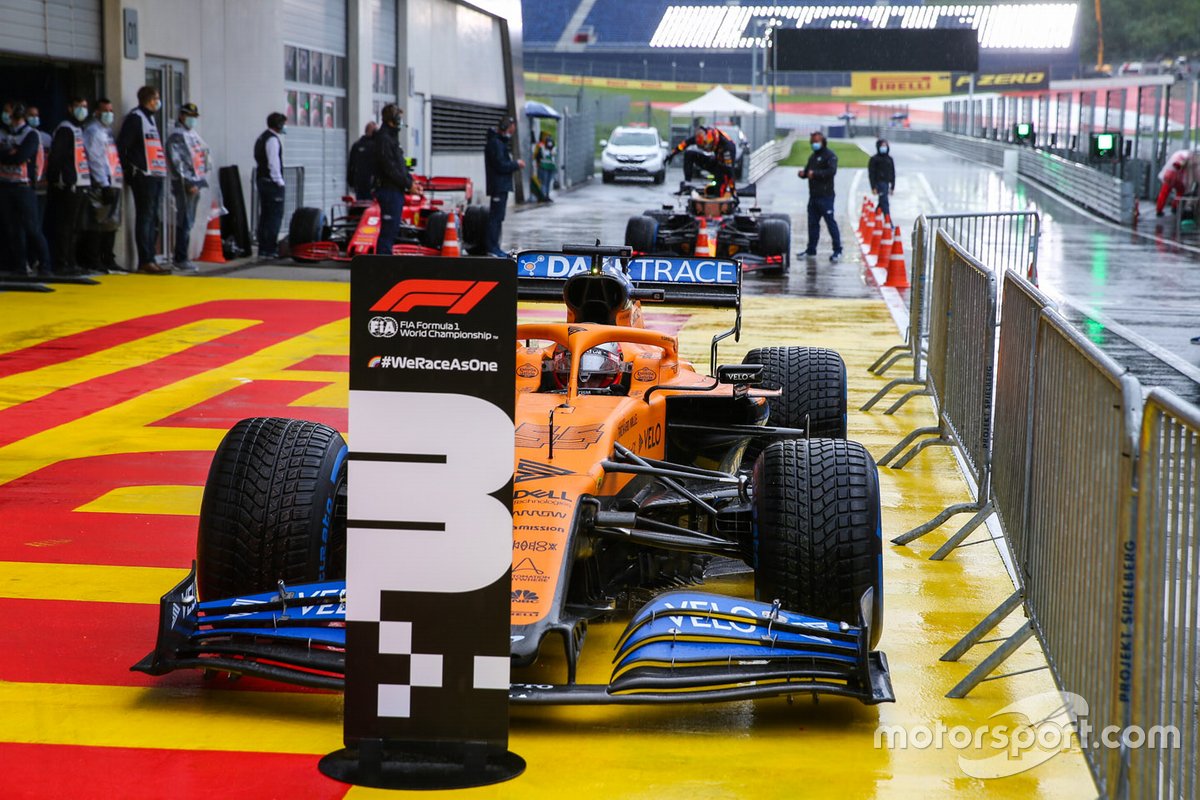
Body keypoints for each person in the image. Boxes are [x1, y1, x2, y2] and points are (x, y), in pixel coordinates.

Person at [117, 85, 169, 273]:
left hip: (155, 174)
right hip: (143, 175)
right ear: (149, 99)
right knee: (145, 217)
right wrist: (130, 170)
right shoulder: (135, 118)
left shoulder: (150, 119)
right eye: (156, 98)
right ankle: (145, 259)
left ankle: (151, 257)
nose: (158, 101)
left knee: (153, 217)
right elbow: (123, 146)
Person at [0, 104, 52, 275]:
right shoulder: (3, 133)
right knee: (13, 228)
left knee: (32, 227)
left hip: (24, 186)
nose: (6, 115)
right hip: (6, 185)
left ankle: (45, 265)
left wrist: (9, 154)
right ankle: (20, 266)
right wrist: (11, 154)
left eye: (8, 112)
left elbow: (22, 156)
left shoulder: (31, 134)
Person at [45, 97, 92, 275]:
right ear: (70, 108)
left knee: (75, 226)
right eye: (78, 106)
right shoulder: (66, 128)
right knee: (65, 226)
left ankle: (71, 261)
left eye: (85, 106)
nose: (82, 110)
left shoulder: (78, 129)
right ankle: (62, 262)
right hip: (69, 185)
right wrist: (58, 180)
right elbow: (57, 157)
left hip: (81, 183)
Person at [79, 98, 124, 273]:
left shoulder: (107, 132)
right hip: (101, 183)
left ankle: (108, 258)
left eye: (111, 111)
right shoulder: (93, 131)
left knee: (111, 222)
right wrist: (103, 184)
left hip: (113, 180)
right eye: (105, 111)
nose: (109, 114)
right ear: (96, 112)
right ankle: (94, 259)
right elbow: (95, 159)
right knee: (97, 222)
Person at [166, 103, 209, 271]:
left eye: (194, 117)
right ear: (182, 116)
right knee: (184, 220)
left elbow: (200, 158)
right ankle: (180, 257)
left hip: (195, 182)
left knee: (189, 220)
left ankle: (182, 256)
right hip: (185, 184)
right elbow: (177, 162)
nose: (192, 120)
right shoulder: (177, 136)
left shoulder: (191, 135)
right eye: (189, 116)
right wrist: (190, 182)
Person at [372, 104, 412, 256]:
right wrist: (408, 184)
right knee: (388, 231)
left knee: (392, 229)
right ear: (391, 120)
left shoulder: (391, 139)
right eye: (398, 118)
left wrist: (411, 182)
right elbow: (390, 168)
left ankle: (385, 261)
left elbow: (399, 165)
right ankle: (382, 264)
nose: (401, 121)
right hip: (389, 191)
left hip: (395, 190)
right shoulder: (384, 139)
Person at [484, 115, 525, 258]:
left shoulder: (499, 143)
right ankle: (492, 247)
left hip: (501, 186)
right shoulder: (495, 144)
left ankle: (495, 246)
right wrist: (516, 164)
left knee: (498, 217)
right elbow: (500, 165)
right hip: (498, 186)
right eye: (511, 129)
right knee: (495, 218)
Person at [797, 131, 841, 262]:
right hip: (814, 196)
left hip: (826, 196)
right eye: (812, 142)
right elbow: (808, 171)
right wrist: (803, 174)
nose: (814, 144)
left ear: (822, 142)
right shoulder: (813, 157)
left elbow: (831, 171)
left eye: (816, 142)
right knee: (812, 224)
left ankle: (837, 250)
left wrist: (815, 174)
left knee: (830, 223)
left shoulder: (830, 156)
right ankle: (811, 249)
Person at [666, 125, 737, 195]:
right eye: (702, 147)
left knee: (718, 191)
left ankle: (721, 188)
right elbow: (684, 144)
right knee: (689, 154)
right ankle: (687, 184)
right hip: (714, 161)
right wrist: (672, 154)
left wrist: (733, 191)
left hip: (723, 168)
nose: (706, 148)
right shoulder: (701, 137)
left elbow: (730, 172)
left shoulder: (727, 147)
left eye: (707, 146)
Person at [253, 112, 287, 261]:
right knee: (274, 217)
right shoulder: (272, 140)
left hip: (262, 179)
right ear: (278, 124)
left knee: (265, 216)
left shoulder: (262, 137)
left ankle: (263, 249)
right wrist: (279, 181)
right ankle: (270, 249)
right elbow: (274, 163)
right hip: (271, 183)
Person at [1156, 149, 1195, 216]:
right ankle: (1175, 207)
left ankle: (1159, 209)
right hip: (1176, 177)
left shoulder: (1179, 154)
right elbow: (1178, 165)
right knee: (1180, 191)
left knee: (1164, 192)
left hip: (1169, 175)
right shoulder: (1186, 157)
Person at [347, 121, 377, 200]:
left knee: (360, 205)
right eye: (375, 130)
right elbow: (351, 164)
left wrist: (351, 182)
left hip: (360, 183)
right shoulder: (375, 145)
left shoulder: (357, 145)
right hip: (369, 184)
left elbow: (351, 164)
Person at [868, 138, 896, 221]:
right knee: (884, 202)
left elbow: (893, 173)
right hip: (879, 183)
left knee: (882, 202)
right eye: (882, 146)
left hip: (886, 184)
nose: (884, 148)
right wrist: (873, 187)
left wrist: (892, 187)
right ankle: (888, 221)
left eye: (885, 146)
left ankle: (874, 218)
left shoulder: (889, 159)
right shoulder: (874, 159)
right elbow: (871, 174)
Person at [531, 131, 556, 203]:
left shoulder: (540, 145)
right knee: (545, 182)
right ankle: (544, 196)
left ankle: (544, 196)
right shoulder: (543, 145)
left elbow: (535, 155)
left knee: (544, 182)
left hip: (545, 166)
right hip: (547, 166)